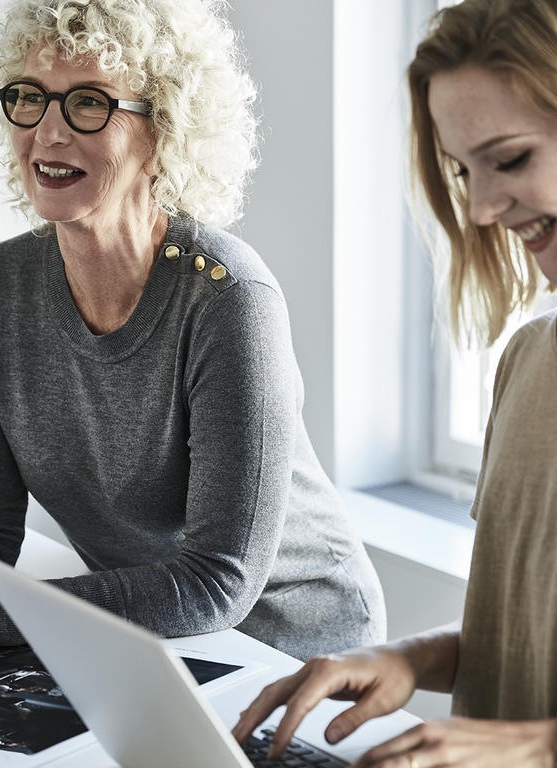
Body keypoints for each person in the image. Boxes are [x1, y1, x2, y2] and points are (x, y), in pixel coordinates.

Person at [0, 0, 385, 673]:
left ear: (163, 129)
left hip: (302, 653)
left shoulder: (227, 299)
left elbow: (218, 581)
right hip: (152, 641)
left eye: (88, 104)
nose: (48, 132)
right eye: (30, 98)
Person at [233, 0, 557, 765]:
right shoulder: (532, 356)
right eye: (462, 171)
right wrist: (406, 660)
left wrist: (533, 748)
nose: (479, 209)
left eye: (508, 160)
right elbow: (524, 636)